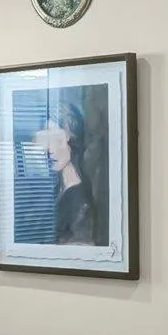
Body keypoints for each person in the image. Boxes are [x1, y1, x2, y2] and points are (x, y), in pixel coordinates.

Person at [30, 91, 104, 246]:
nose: (50, 150)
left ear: (72, 140)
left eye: (57, 140)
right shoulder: (56, 189)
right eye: (46, 141)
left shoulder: (81, 201)